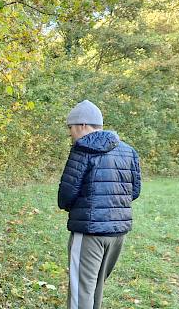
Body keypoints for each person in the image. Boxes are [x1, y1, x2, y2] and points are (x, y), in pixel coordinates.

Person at [58, 100, 142, 309]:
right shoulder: (128, 151)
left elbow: (66, 194)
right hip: (117, 234)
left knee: (81, 292)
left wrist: (75, 207)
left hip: (88, 232)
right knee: (96, 288)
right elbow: (135, 191)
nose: (70, 134)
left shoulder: (82, 150)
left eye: (71, 128)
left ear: (83, 126)